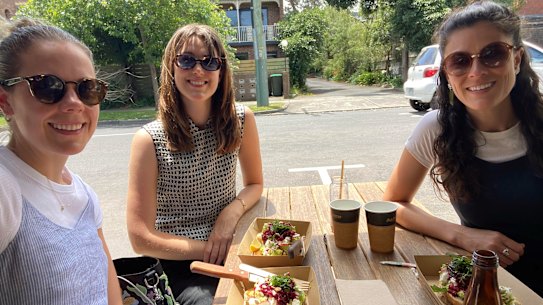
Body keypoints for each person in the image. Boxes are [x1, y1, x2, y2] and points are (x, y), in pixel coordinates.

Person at [383, 0, 543, 296]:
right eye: (460, 61)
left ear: (517, 59)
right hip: (486, 291)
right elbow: (393, 203)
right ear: (446, 72)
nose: (476, 71)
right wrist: (462, 235)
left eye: (493, 54)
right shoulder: (437, 128)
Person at [126, 24, 263, 305]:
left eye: (209, 61)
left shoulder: (242, 119)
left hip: (230, 245)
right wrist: (211, 250)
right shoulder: (149, 139)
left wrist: (229, 214)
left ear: (221, 70)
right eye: (187, 60)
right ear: (171, 67)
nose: (198, 70)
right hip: (178, 263)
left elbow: (255, 184)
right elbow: (140, 238)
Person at [0, 18, 122, 303]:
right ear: (5, 102)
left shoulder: (85, 196)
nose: (73, 103)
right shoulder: (5, 190)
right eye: (48, 87)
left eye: (86, 89)